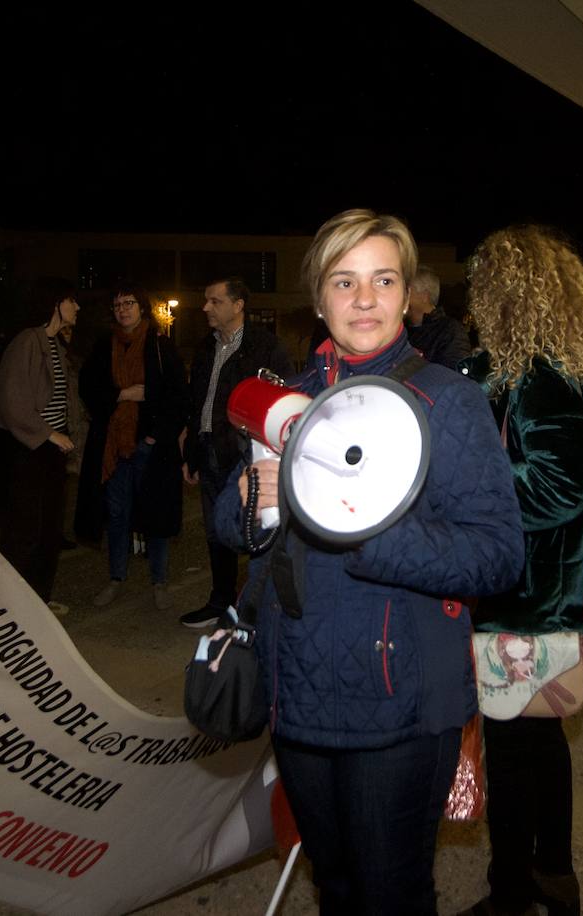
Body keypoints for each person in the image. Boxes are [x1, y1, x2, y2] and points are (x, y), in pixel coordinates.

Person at [214, 209, 524, 915]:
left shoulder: (449, 402)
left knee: (392, 897)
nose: (363, 299)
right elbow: (240, 531)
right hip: (298, 698)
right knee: (338, 889)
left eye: (382, 280)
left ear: (408, 293)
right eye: (343, 281)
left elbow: (498, 554)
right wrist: (244, 503)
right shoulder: (288, 402)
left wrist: (362, 531)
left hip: (400, 708)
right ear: (318, 298)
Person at [459, 225, 583, 916]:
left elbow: (556, 489)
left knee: (512, 754)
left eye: (484, 287)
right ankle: (554, 878)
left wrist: (473, 479)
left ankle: (513, 892)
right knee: (540, 741)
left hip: (527, 607)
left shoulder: (540, 377)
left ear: (506, 294)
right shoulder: (540, 368)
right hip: (544, 604)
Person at [179, 276, 291, 628]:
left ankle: (259, 605)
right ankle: (221, 600)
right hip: (207, 448)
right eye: (206, 300)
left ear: (238, 304)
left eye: (214, 301)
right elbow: (197, 399)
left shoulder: (266, 347)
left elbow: (282, 403)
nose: (205, 307)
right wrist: (191, 447)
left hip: (244, 457)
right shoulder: (205, 347)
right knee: (216, 531)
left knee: (255, 532)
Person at [77, 286, 187, 611]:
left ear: (142, 308)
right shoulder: (103, 347)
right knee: (116, 514)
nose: (123, 309)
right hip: (114, 447)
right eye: (117, 304)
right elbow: (90, 388)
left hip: (151, 447)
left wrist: (154, 435)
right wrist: (122, 396)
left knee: (155, 514)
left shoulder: (159, 346)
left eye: (129, 303)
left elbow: (177, 395)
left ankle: (159, 581)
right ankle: (116, 578)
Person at [0, 279, 80, 615]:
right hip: (29, 450)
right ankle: (13, 604)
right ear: (55, 304)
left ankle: (38, 599)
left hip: (51, 451)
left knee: (49, 528)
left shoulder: (56, 344)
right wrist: (47, 434)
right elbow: (11, 399)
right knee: (24, 528)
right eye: (71, 300)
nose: (77, 307)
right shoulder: (28, 340)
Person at [404, 263, 472, 369]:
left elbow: (455, 377)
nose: (401, 298)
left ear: (424, 296)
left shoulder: (450, 331)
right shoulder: (399, 331)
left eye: (407, 292)